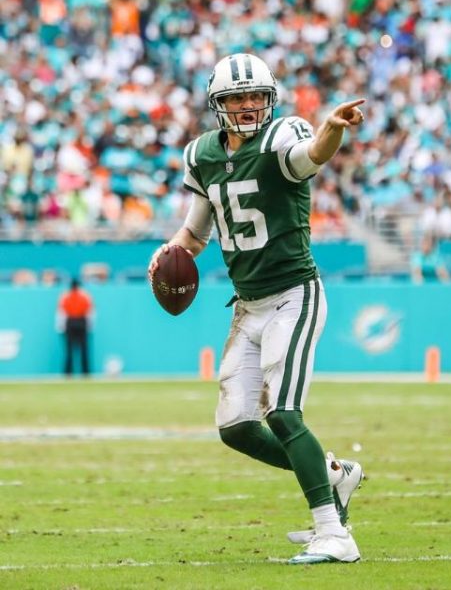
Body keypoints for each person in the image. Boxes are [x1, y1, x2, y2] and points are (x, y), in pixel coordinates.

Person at [147, 53, 365, 565]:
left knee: (284, 413)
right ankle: (333, 474)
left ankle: (334, 534)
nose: (247, 106)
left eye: (254, 97)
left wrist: (332, 131)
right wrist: (170, 251)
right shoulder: (201, 154)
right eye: (236, 99)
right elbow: (198, 231)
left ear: (270, 99)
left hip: (293, 293)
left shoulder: (282, 135)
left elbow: (309, 156)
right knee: (237, 428)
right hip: (247, 305)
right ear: (217, 105)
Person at [57, 278, 93, 376]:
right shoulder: (84, 296)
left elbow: (61, 313)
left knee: (69, 350)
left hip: (71, 322)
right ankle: (85, 372)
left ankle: (68, 373)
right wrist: (89, 326)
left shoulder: (66, 296)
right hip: (81, 322)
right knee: (83, 349)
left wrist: (61, 326)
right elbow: (90, 312)